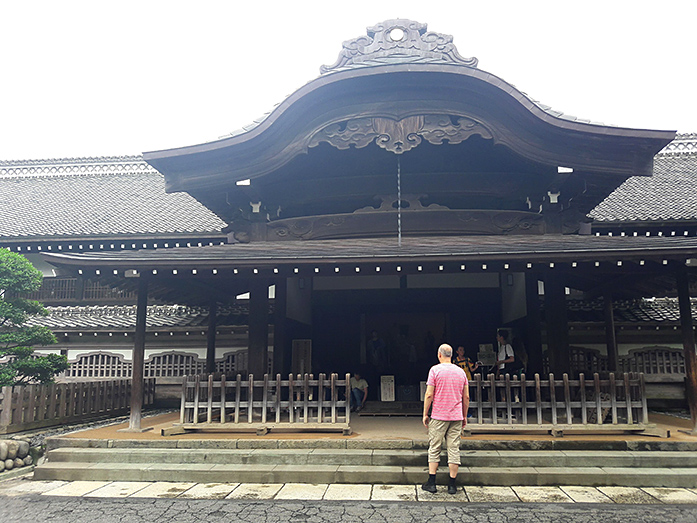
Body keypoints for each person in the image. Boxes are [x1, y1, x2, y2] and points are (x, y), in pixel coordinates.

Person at [422, 344, 469, 495]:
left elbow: (429, 394)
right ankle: (452, 485)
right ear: (451, 355)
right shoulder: (461, 372)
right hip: (456, 416)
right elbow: (466, 396)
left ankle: (432, 483)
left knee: (434, 447)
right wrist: (464, 414)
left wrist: (425, 413)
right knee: (454, 449)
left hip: (439, 415)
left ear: (439, 355)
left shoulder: (435, 370)